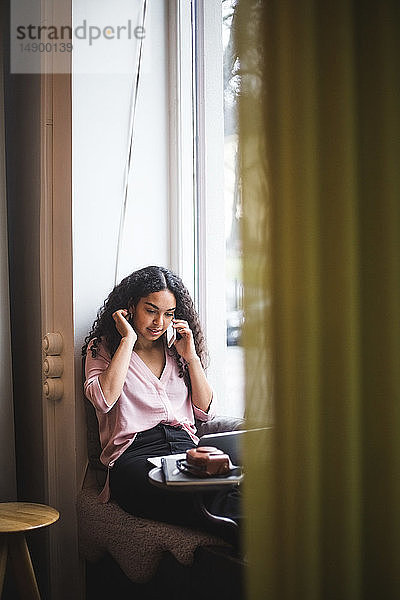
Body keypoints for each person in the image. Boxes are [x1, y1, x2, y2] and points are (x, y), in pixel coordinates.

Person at [82, 265, 240, 535]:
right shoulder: (104, 347)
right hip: (134, 457)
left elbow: (204, 410)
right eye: (151, 310)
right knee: (205, 500)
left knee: (235, 488)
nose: (159, 323)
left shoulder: (176, 351)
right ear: (131, 306)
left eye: (168, 314)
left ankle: (241, 530)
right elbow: (103, 400)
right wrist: (127, 340)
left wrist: (191, 358)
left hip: (183, 451)